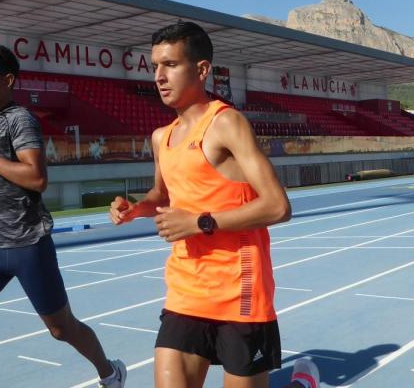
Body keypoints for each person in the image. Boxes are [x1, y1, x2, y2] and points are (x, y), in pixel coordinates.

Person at [110, 21, 309, 388]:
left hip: (240, 292)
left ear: (201, 70)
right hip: (186, 289)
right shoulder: (161, 137)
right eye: (155, 66)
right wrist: (136, 208)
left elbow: (278, 206)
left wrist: (199, 223)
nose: (159, 76)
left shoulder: (226, 124)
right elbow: (162, 196)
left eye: (171, 64)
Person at [0, 44, 126, 388]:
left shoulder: (20, 119)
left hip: (28, 245)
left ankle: (110, 372)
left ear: (7, 80)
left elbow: (37, 178)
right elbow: (0, 175)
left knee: (61, 328)